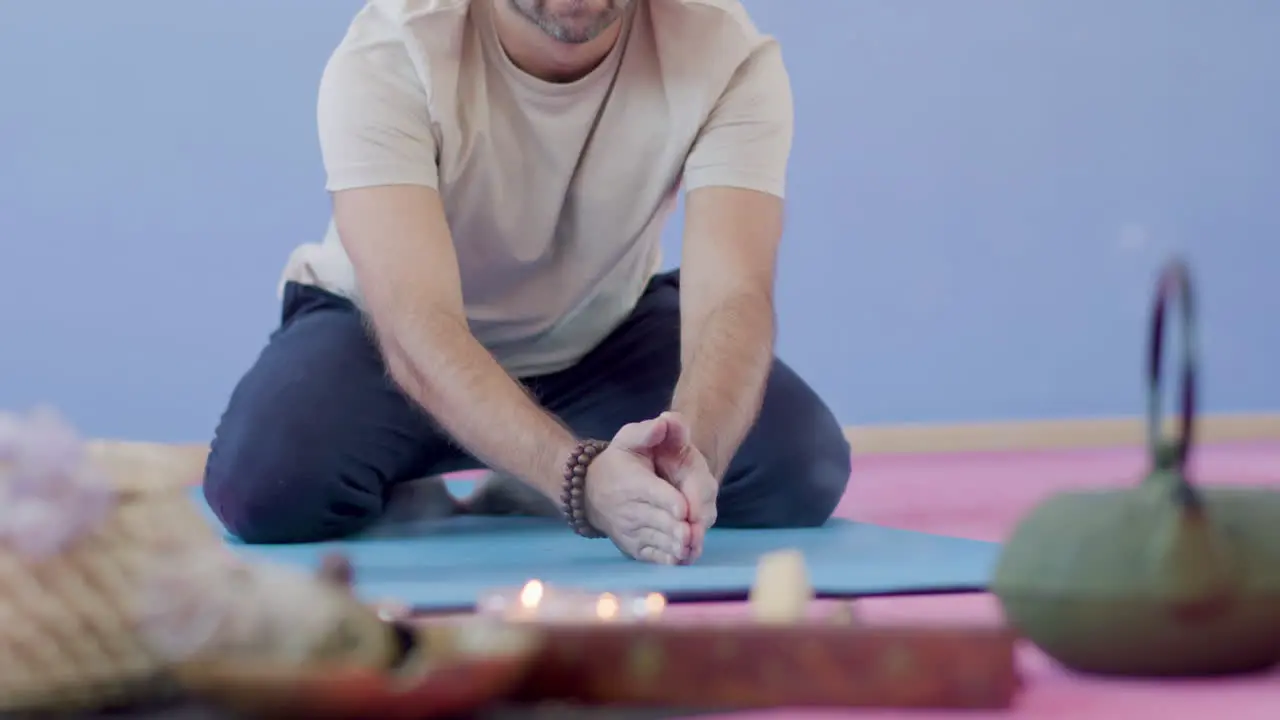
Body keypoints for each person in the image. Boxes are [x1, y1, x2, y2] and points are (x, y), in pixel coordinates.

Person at [202, 0, 852, 565]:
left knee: (796, 469)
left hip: (598, 334)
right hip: (386, 340)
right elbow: (415, 321)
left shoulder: (726, 52)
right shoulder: (391, 50)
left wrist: (689, 456)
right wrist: (577, 480)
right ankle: (521, 468)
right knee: (267, 486)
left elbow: (733, 297)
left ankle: (526, 483)